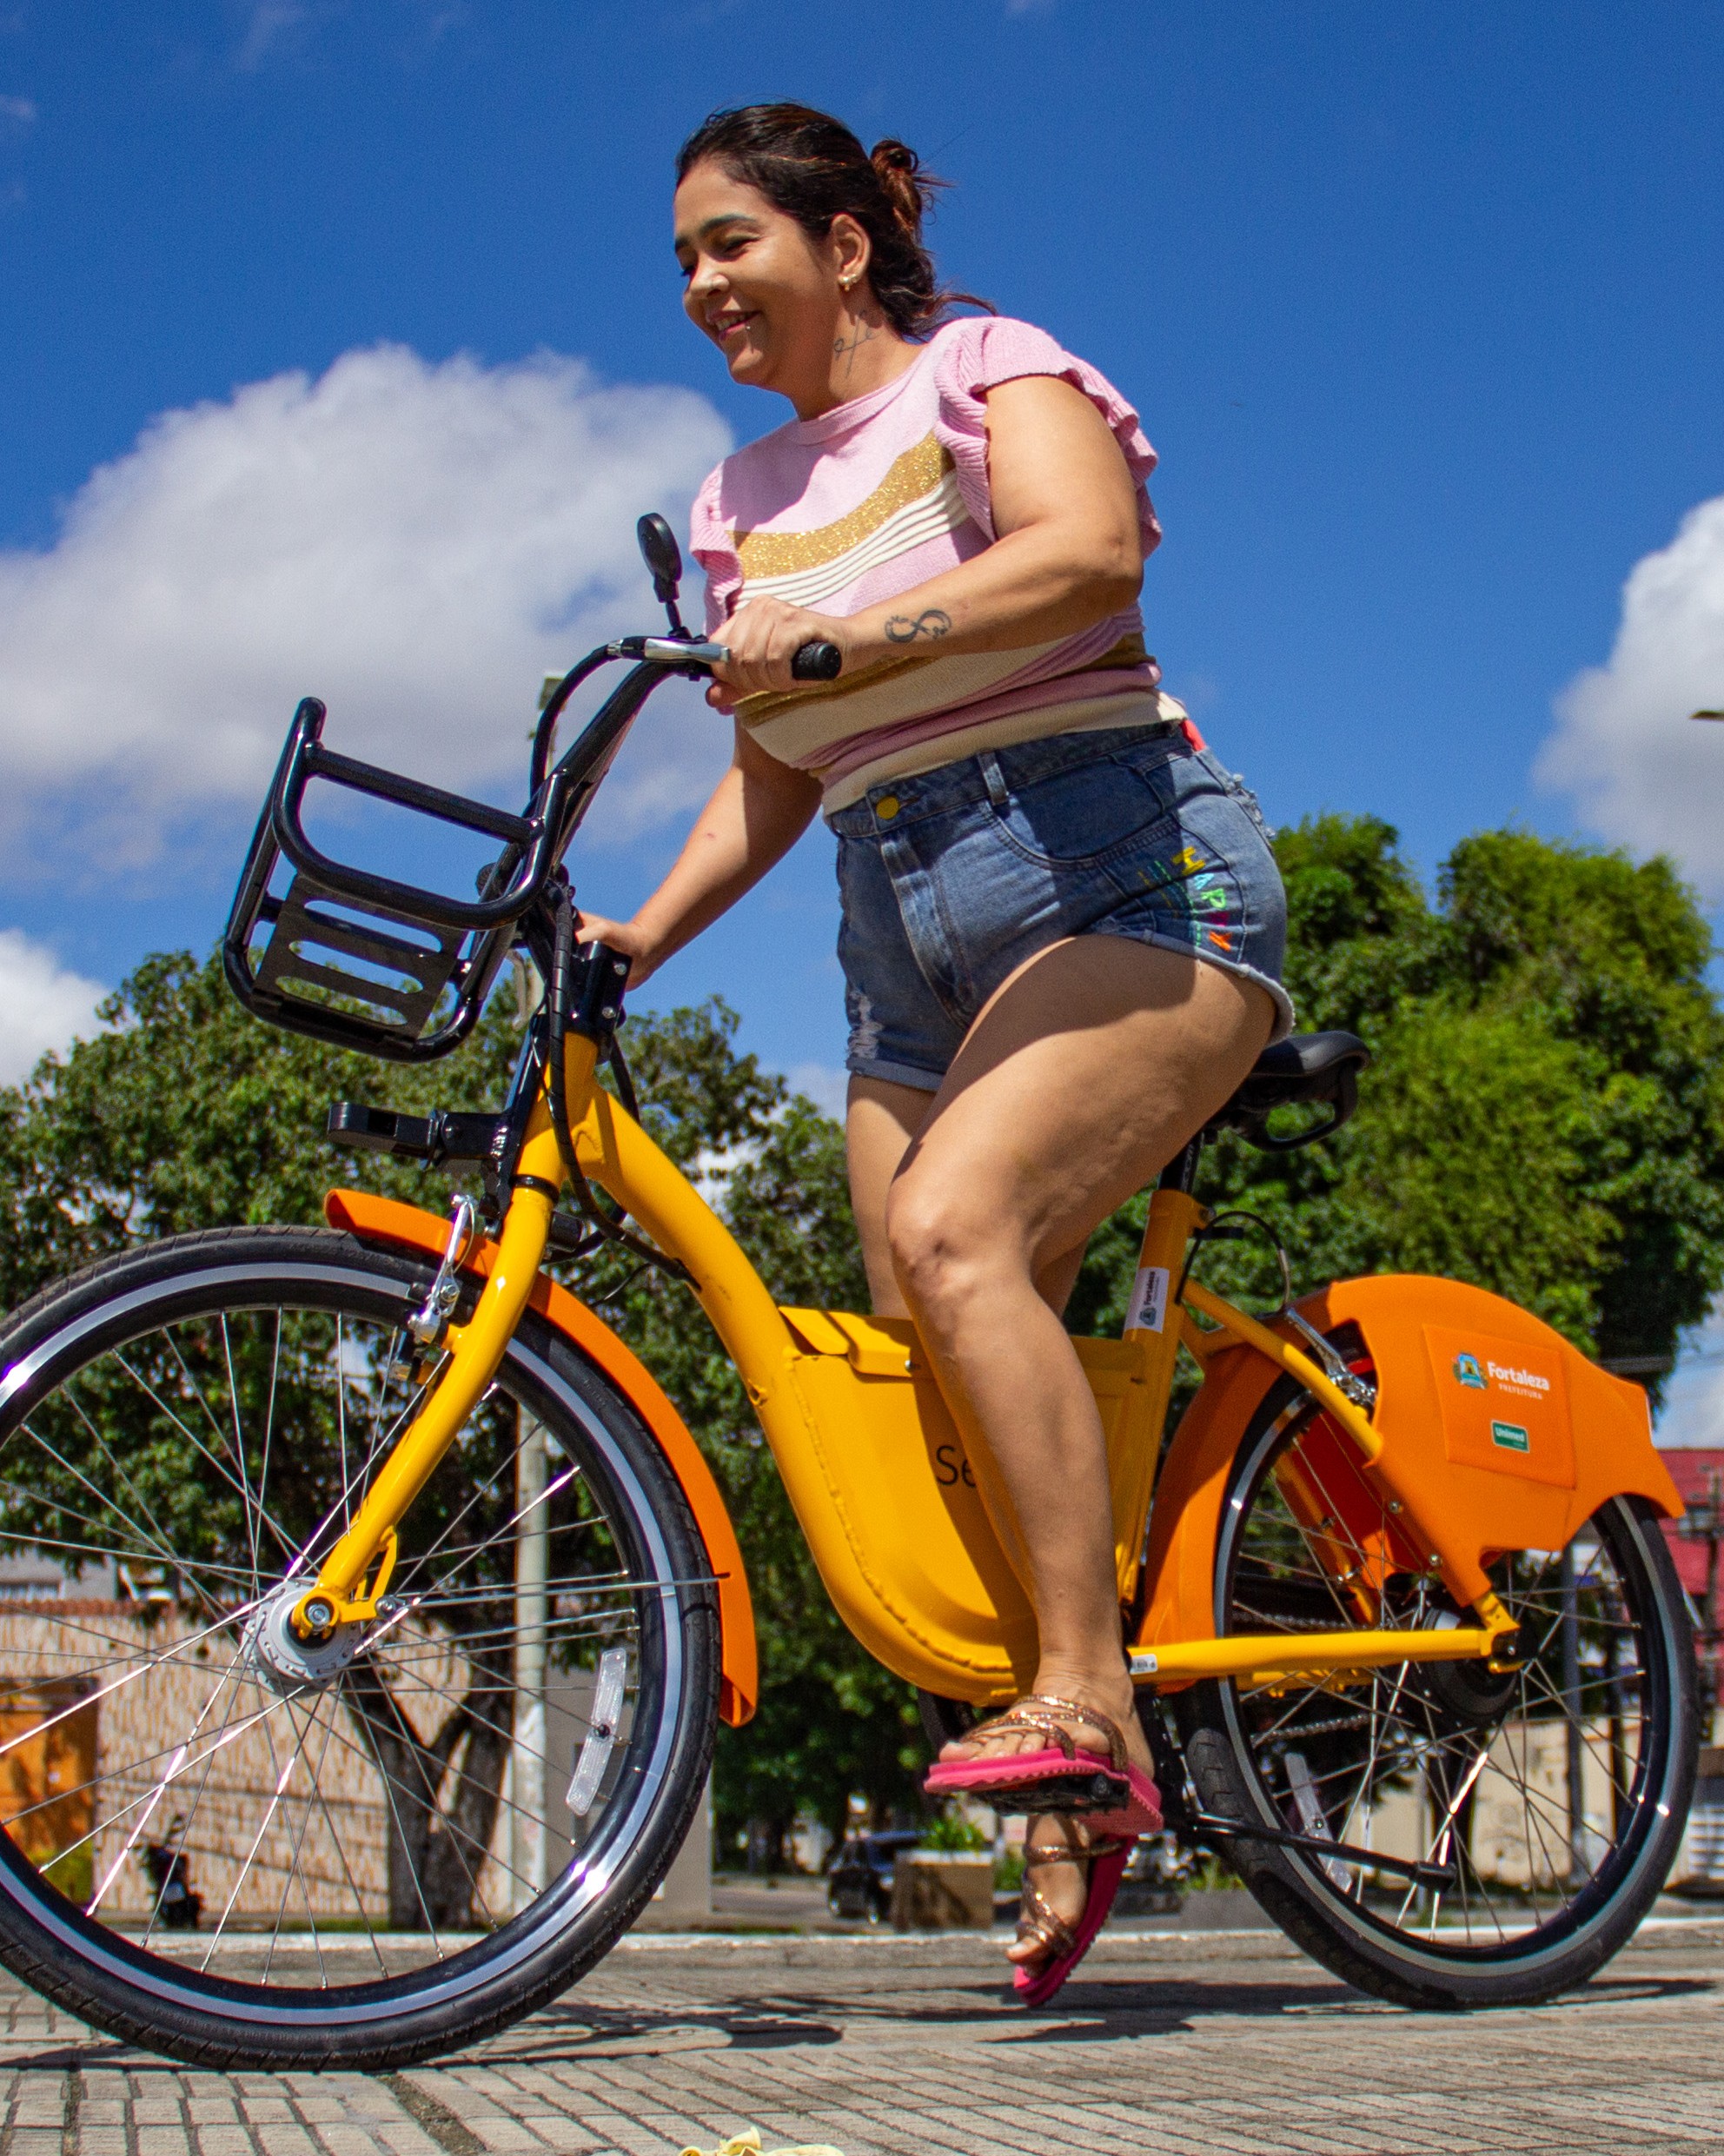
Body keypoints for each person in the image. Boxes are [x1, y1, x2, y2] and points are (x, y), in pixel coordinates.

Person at [577, 103, 1292, 2001]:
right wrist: (633, 931)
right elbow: (773, 780)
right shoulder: (738, 497)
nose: (702, 284)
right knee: (935, 1345)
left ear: (842, 238)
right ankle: (1075, 1787)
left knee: (963, 1240)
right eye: (680, 261)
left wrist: (835, 644)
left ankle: (1090, 1696)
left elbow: (1091, 559)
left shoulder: (988, 366)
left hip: (1120, 868)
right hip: (907, 937)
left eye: (730, 240)